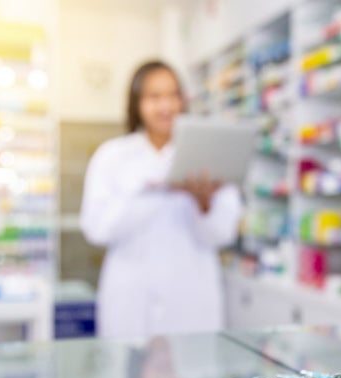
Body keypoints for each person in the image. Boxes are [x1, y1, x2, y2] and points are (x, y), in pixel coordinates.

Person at [80, 60, 242, 338]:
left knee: (194, 377)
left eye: (173, 95)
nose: (166, 106)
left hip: (191, 297)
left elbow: (223, 233)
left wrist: (203, 204)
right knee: (128, 377)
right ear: (136, 103)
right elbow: (96, 228)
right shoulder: (113, 156)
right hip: (132, 298)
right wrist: (152, 191)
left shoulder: (207, 153)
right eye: (154, 97)